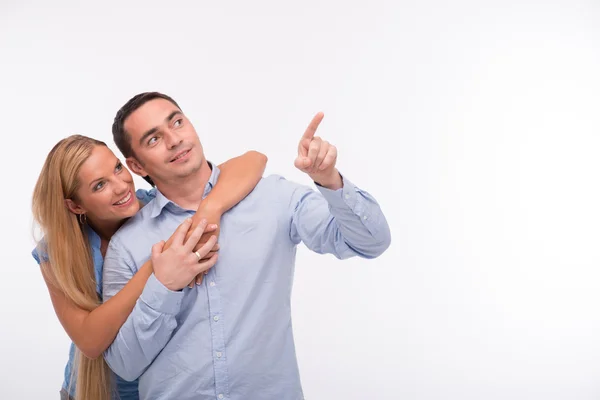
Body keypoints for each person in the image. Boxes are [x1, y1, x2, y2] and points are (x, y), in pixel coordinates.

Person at [103, 92, 392, 400]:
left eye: (177, 122)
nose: (174, 140)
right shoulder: (128, 244)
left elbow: (371, 242)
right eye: (153, 139)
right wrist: (164, 287)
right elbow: (125, 365)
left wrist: (330, 181)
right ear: (136, 165)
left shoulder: (273, 198)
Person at [31, 134, 268, 400]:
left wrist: (210, 208)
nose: (121, 186)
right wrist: (154, 268)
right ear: (75, 205)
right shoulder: (57, 252)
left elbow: (253, 160)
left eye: (117, 168)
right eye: (100, 185)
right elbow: (89, 341)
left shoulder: (161, 207)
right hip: (88, 392)